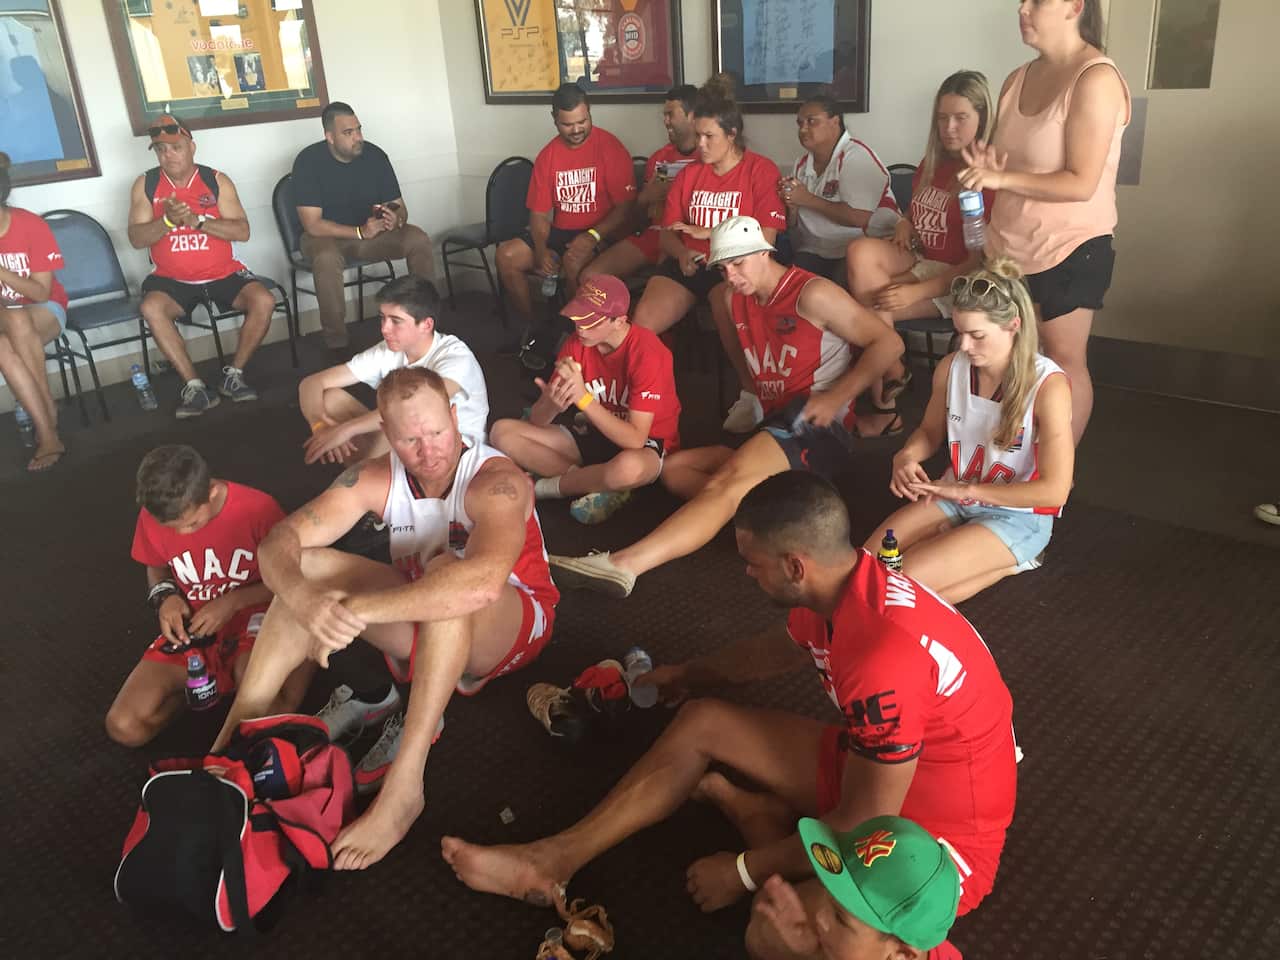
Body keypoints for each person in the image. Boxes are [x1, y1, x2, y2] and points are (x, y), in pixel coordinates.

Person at [442, 472, 1015, 950]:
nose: (745, 573)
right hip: (885, 765)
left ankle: (762, 823)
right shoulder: (845, 584)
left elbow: (862, 825)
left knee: (779, 936)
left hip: (936, 842)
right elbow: (772, 653)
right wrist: (688, 676)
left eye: (753, 563)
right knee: (703, 721)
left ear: (795, 566)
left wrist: (743, 870)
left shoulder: (880, 657)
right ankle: (551, 861)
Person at [213, 366, 559, 871]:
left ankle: (405, 787)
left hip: (514, 620)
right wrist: (307, 600)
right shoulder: (374, 476)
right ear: (390, 439)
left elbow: (481, 584)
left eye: (438, 431)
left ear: (455, 417)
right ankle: (229, 745)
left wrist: (355, 610)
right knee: (302, 573)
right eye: (411, 439)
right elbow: (279, 544)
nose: (429, 449)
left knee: (448, 575)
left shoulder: (497, 481)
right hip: (424, 612)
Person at [548, 216, 902, 599]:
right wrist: (751, 392)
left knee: (725, 483)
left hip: (817, 424)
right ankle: (790, 521)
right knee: (676, 470)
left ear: (764, 253)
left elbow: (888, 344)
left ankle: (624, 565)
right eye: (723, 267)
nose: (731, 275)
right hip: (776, 422)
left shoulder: (812, 293)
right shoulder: (735, 298)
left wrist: (836, 398)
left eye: (739, 263)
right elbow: (745, 356)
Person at [959, 0, 1130, 444]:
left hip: (1067, 246)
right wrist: (989, 164)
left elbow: (1081, 182)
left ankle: (1056, 476)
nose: (1023, 8)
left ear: (1075, 5)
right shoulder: (1018, 78)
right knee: (1010, 356)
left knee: (1062, 360)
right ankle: (1006, 460)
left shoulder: (1096, 78)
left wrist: (1000, 176)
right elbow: (1014, 168)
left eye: (1037, 1)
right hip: (1008, 248)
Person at [865, 258, 1072, 604]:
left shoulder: (1048, 386)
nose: (963, 346)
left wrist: (969, 490)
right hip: (956, 493)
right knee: (867, 565)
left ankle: (1015, 557)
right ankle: (988, 555)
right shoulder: (952, 368)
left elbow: (1054, 492)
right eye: (959, 333)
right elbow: (930, 431)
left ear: (1013, 325)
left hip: (1018, 515)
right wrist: (907, 455)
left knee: (904, 585)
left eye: (977, 336)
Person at [105, 445, 290, 747]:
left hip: (259, 612)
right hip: (197, 625)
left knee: (262, 709)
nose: (182, 536)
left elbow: (297, 578)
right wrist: (165, 596)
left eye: (191, 524)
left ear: (213, 491)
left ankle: (244, 681)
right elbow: (156, 567)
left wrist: (233, 602)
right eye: (171, 528)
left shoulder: (258, 509)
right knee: (124, 726)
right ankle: (210, 688)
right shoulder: (154, 514)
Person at [633, 75, 787, 434]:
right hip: (691, 263)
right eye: (697, 135)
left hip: (736, 265)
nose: (699, 145)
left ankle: (751, 393)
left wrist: (713, 236)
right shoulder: (690, 176)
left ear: (731, 135)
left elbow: (765, 239)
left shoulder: (759, 171)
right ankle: (647, 402)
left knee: (727, 304)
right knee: (642, 323)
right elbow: (669, 231)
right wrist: (684, 252)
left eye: (709, 137)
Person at [845, 70, 996, 414]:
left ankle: (885, 401)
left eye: (961, 118)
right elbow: (922, 215)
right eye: (942, 118)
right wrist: (904, 222)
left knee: (868, 306)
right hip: (921, 262)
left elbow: (978, 261)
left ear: (983, 119)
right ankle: (894, 370)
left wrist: (918, 291)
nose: (949, 128)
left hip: (957, 279)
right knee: (859, 253)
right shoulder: (932, 163)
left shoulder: (986, 177)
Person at [490, 274, 680, 526]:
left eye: (590, 323)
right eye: (578, 319)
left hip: (647, 447)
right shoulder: (576, 344)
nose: (580, 329)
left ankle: (548, 487)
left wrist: (583, 398)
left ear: (619, 321)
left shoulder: (649, 353)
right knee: (502, 432)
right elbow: (537, 420)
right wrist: (551, 404)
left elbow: (635, 439)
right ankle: (597, 484)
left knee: (627, 468)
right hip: (592, 432)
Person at [126, 116, 279, 418]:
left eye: (175, 147)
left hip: (223, 273)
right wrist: (168, 221)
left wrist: (198, 221)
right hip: (171, 279)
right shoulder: (147, 184)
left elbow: (242, 231)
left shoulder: (216, 180)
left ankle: (234, 375)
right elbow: (136, 238)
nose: (168, 155)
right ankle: (194, 387)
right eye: (160, 149)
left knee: (264, 300)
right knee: (151, 308)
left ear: (192, 147)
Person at [497, 83, 636, 362]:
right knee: (506, 256)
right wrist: (539, 249)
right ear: (554, 119)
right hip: (561, 231)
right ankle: (536, 328)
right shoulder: (548, 156)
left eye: (582, 121)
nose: (576, 129)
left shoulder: (610, 146)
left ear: (590, 113)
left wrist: (594, 235)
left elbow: (625, 208)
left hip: (603, 230)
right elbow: (537, 214)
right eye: (567, 124)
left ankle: (577, 339)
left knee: (574, 262)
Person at [300, 276, 488, 465]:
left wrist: (345, 430)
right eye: (383, 318)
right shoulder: (388, 349)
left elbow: (416, 407)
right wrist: (319, 425)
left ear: (426, 325)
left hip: (456, 450)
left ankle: (366, 480)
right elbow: (312, 383)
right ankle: (368, 475)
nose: (384, 329)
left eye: (396, 321)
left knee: (396, 425)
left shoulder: (456, 356)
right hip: (407, 435)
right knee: (330, 398)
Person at [292, 101, 435, 351]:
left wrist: (395, 218)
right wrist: (359, 232)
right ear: (329, 137)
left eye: (358, 129)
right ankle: (337, 341)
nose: (358, 137)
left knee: (418, 238)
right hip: (325, 237)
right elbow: (312, 224)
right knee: (326, 258)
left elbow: (401, 207)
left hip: (370, 234)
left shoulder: (375, 156)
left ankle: (425, 322)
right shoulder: (308, 161)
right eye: (348, 133)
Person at [750, 815, 964, 960]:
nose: (820, 917)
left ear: (902, 955)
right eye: (830, 893)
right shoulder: (855, 939)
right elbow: (754, 937)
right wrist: (800, 950)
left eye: (840, 918)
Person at [580, 85, 699, 284]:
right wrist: (645, 198)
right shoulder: (661, 159)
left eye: (670, 114)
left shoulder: (708, 157)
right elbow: (650, 209)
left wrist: (671, 195)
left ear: (692, 116)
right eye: (664, 115)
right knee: (589, 277)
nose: (665, 121)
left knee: (662, 282)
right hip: (655, 234)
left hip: (689, 238)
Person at [781, 95, 899, 284]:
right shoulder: (801, 165)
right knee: (790, 287)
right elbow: (794, 226)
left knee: (837, 287)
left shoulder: (857, 156)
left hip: (860, 247)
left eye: (812, 121)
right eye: (800, 123)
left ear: (835, 121)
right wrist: (792, 206)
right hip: (816, 249)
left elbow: (858, 218)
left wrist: (807, 198)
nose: (803, 129)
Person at [0, 150, 67, 471]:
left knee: (14, 326)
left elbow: (40, 291)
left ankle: (46, 426)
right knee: (7, 330)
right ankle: (47, 427)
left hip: (45, 309)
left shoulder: (30, 225)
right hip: (4, 315)